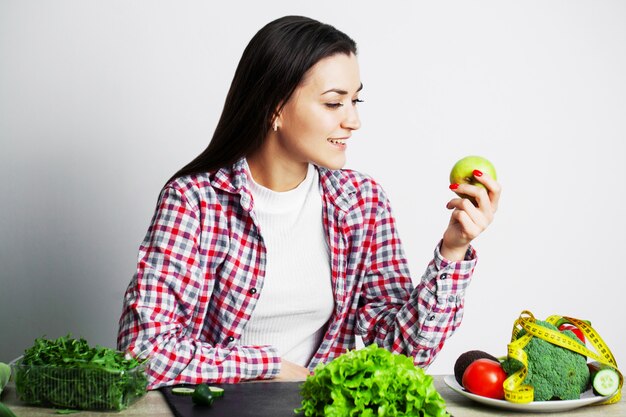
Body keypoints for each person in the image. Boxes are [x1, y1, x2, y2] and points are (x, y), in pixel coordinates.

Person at [117, 15, 501, 390]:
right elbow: (144, 354)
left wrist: (454, 249)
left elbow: (403, 353)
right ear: (275, 107)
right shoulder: (194, 202)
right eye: (335, 103)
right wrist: (270, 368)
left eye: (356, 100)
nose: (354, 121)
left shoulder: (361, 202)